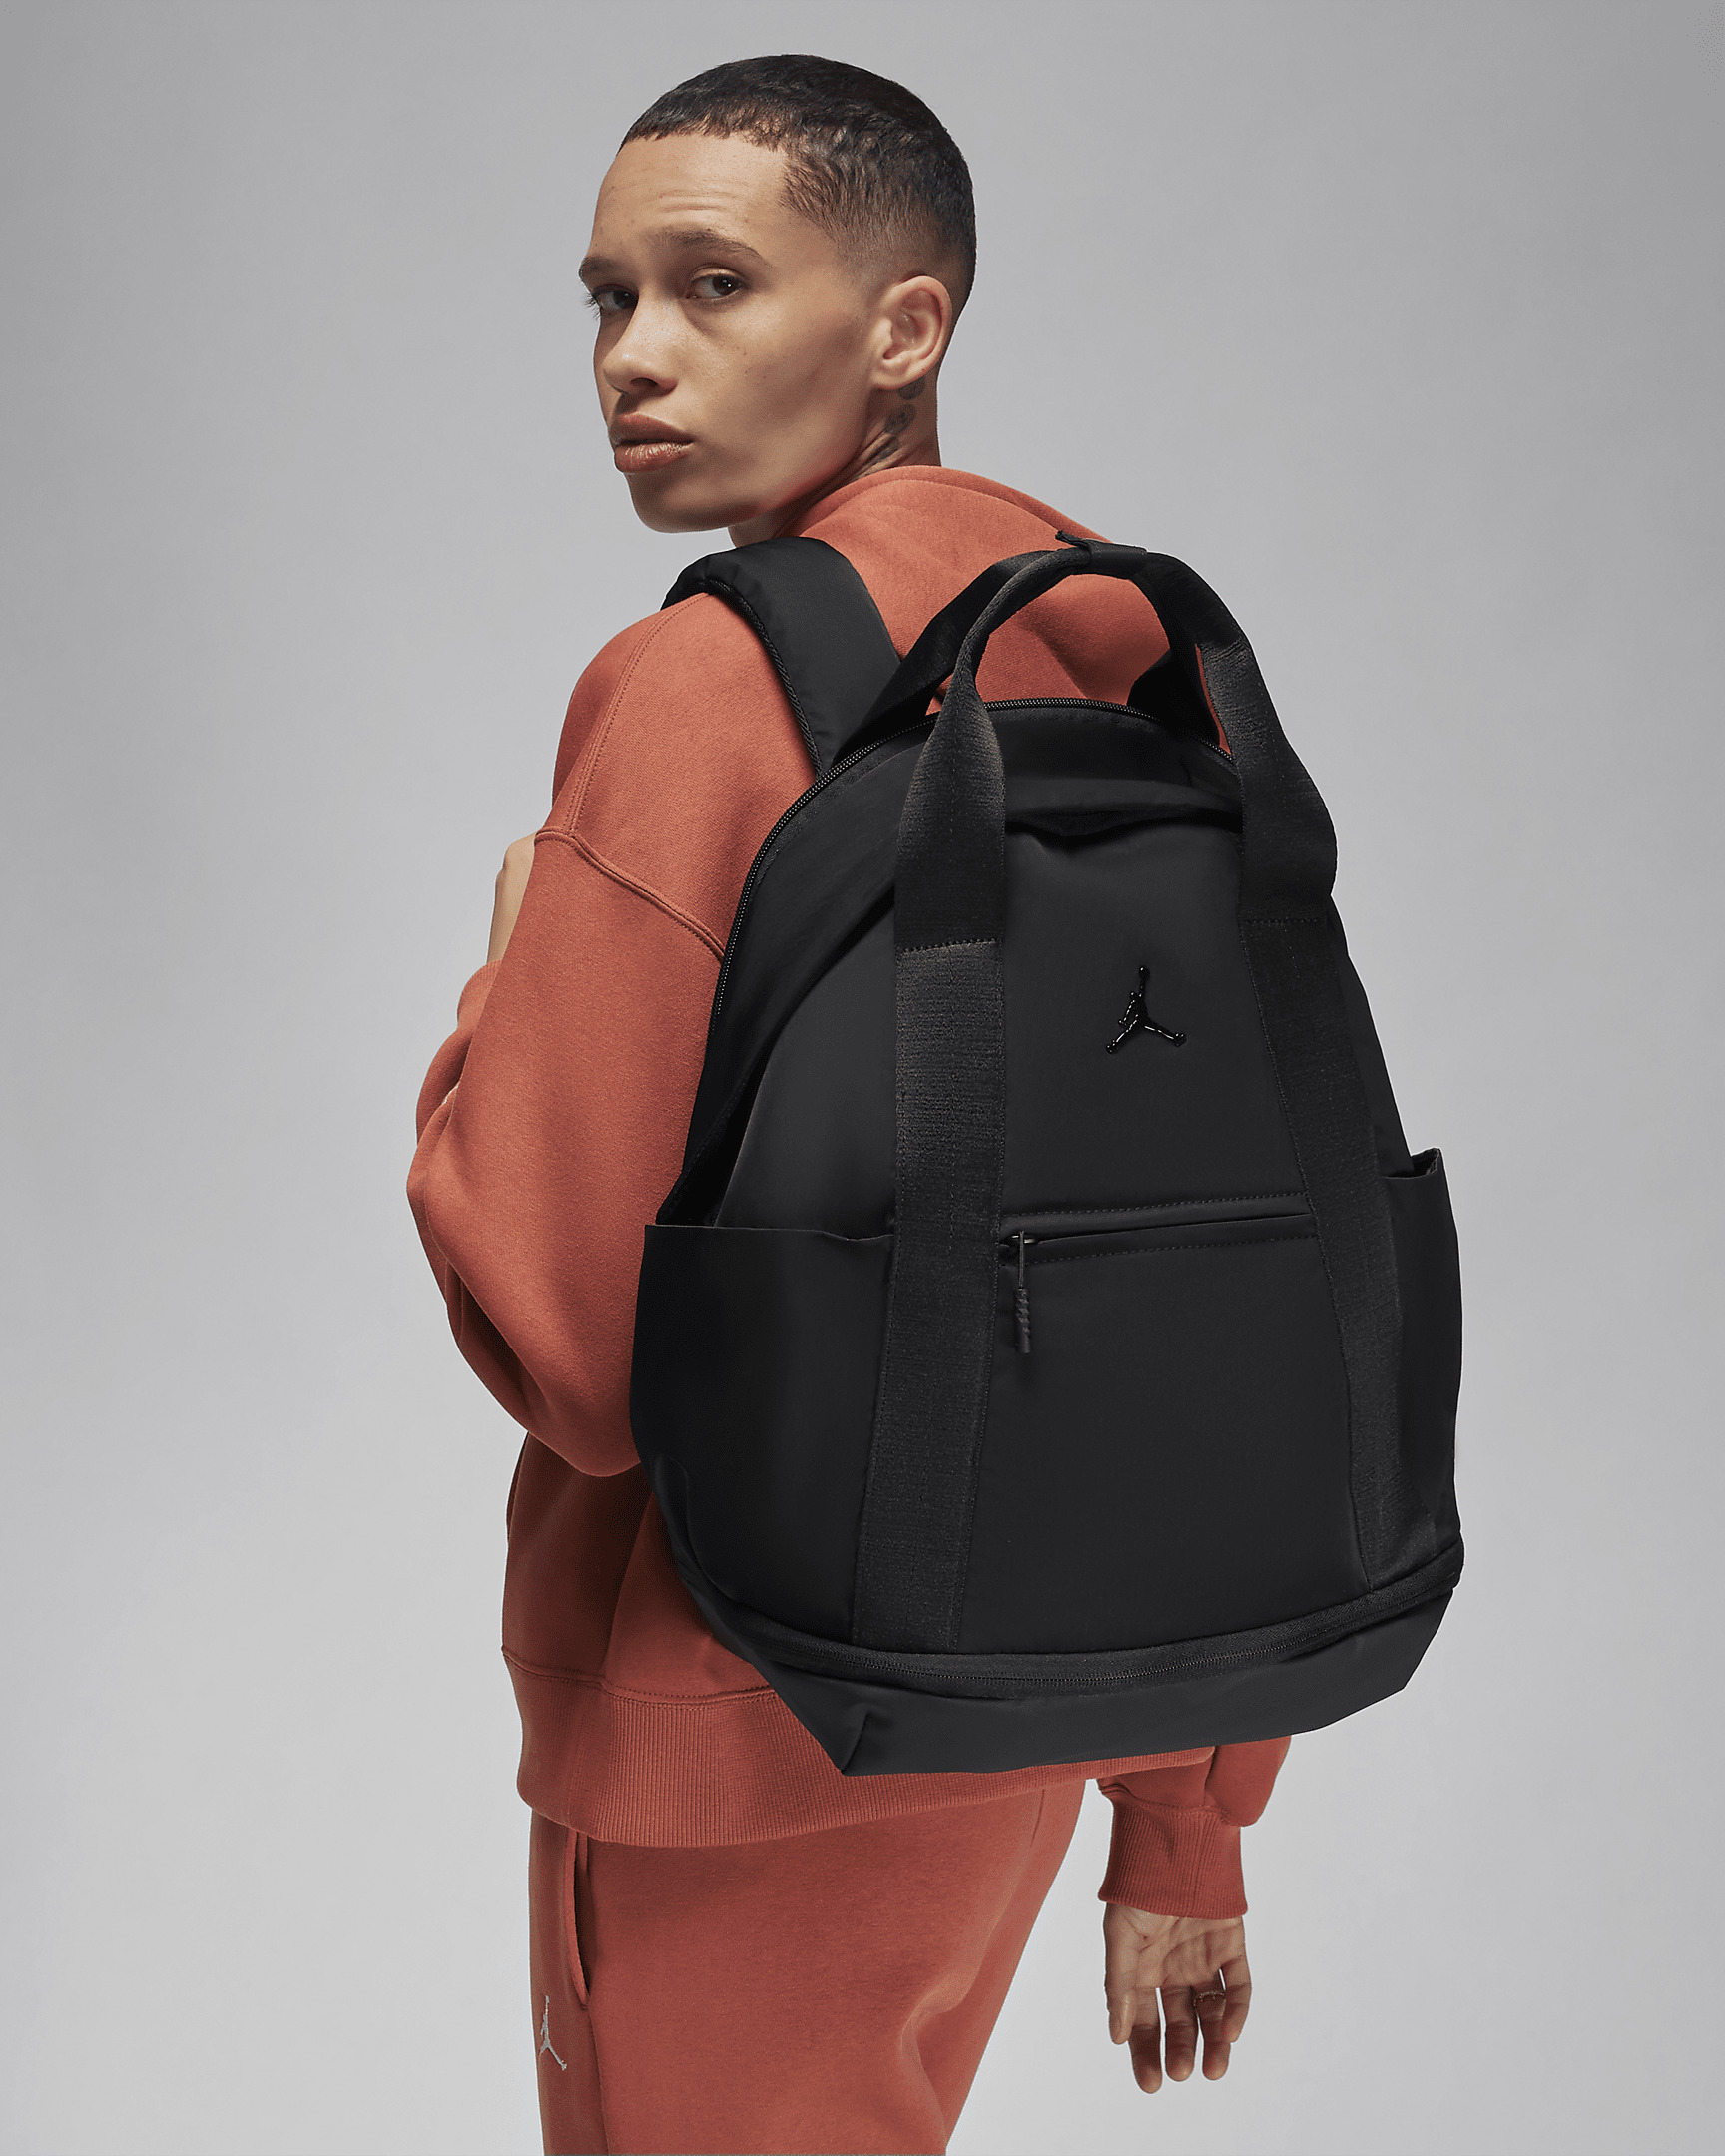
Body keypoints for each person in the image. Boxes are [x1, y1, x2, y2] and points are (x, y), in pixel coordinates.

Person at [408, 53, 1291, 2156]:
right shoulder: (1127, 645)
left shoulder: (702, 688)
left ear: (909, 326)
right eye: (609, 297)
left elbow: (574, 1354)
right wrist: (1188, 1818)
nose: (635, 357)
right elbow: (1203, 1269)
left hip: (735, 1715)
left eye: (713, 285)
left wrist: (504, 979)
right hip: (1039, 1696)